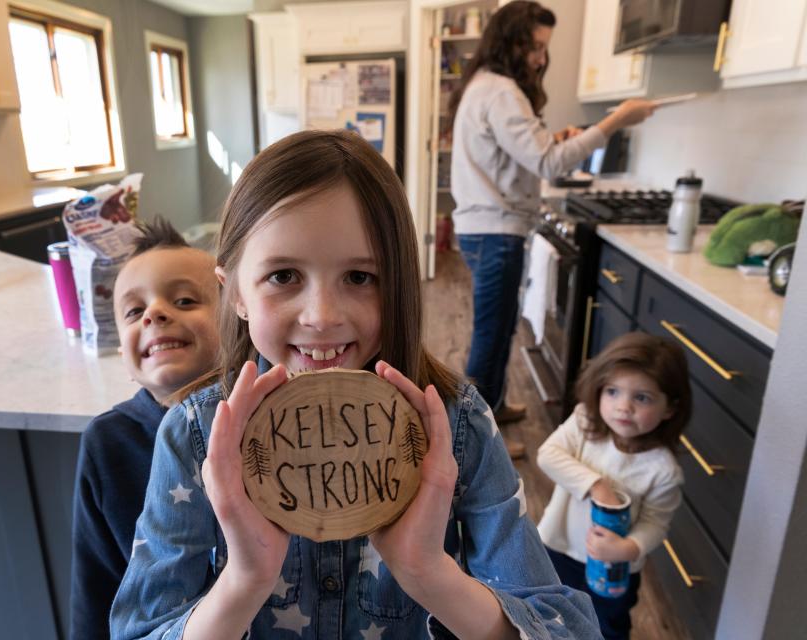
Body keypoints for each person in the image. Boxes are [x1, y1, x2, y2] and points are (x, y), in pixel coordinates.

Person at [109, 129, 601, 639]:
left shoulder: (457, 425)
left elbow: (570, 628)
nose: (322, 317)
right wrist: (244, 581)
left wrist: (429, 573)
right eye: (283, 276)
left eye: (361, 278)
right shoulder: (194, 435)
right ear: (233, 293)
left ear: (400, 284)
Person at [447, 0, 657, 430]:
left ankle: (495, 408)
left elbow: (520, 151)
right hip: (494, 232)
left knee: (499, 331)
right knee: (490, 338)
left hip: (484, 229)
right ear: (512, 42)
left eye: (545, 48)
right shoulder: (502, 91)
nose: (542, 58)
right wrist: (615, 120)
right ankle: (472, 444)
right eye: (535, 47)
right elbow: (549, 163)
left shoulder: (485, 86)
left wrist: (551, 139)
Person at [69, 219, 220, 640]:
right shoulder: (107, 443)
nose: (154, 313)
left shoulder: (269, 419)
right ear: (122, 351)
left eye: (186, 300)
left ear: (238, 321)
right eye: (134, 312)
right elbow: (95, 589)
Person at [536, 332, 692, 640]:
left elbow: (655, 523)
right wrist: (596, 485)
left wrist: (628, 548)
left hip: (613, 567)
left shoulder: (662, 470)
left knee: (607, 627)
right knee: (551, 614)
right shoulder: (584, 423)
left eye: (642, 398)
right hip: (559, 547)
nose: (623, 407)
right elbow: (548, 455)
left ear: (670, 408)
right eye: (613, 391)